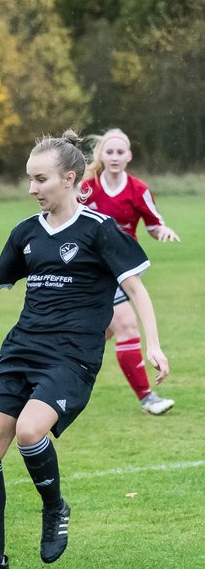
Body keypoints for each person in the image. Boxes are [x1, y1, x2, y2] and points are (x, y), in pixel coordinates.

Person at [0, 130, 168, 569]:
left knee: (30, 431)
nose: (32, 189)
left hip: (71, 357)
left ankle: (55, 508)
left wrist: (153, 344)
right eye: (29, 179)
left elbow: (136, 289)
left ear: (69, 178)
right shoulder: (25, 233)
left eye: (40, 179)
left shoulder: (99, 231)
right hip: (21, 351)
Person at [81, 128, 179, 415]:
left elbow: (153, 223)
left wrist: (163, 231)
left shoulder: (138, 189)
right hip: (96, 270)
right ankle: (147, 398)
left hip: (125, 267)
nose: (114, 157)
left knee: (99, 333)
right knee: (126, 325)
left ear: (129, 156)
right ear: (102, 155)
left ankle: (61, 368)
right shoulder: (88, 188)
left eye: (119, 152)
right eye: (109, 152)